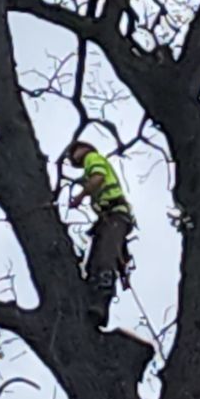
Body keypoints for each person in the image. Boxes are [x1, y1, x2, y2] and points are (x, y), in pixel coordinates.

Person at [67, 137, 134, 328]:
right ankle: (93, 304)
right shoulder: (89, 166)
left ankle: (100, 304)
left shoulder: (92, 158)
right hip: (109, 219)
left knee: (104, 260)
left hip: (115, 216)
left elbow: (99, 177)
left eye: (75, 151)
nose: (73, 156)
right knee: (94, 264)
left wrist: (80, 197)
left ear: (84, 148)